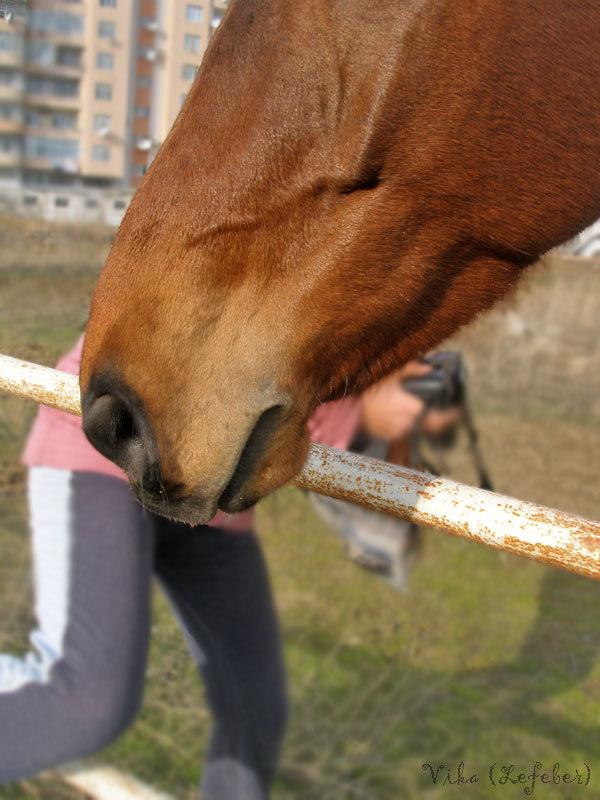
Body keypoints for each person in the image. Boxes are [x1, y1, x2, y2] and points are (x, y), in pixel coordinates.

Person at [0, 336, 435, 798]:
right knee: (86, 703)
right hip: (113, 444)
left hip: (214, 494)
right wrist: (364, 416)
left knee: (257, 709)